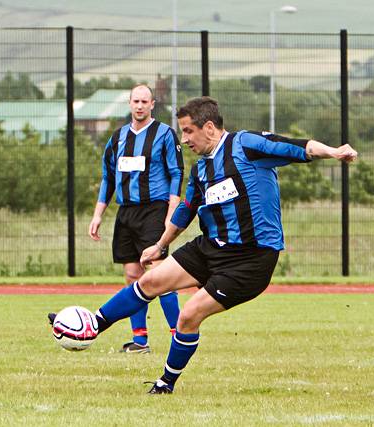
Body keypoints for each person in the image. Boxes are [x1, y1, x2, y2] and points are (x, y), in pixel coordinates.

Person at [58, 96, 358, 393]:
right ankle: (93, 324)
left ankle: (165, 383)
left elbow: (298, 146)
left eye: (188, 131)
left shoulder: (247, 145)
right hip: (211, 247)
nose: (184, 139)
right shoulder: (202, 170)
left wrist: (333, 151)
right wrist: (161, 245)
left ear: (210, 128)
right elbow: (186, 209)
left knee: (188, 315)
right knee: (149, 281)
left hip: (251, 259)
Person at [87, 84, 182, 353]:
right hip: (126, 212)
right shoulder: (117, 138)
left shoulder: (164, 134)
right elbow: (108, 177)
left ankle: (179, 333)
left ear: (153, 104)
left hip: (154, 209)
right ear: (129, 104)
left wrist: (170, 214)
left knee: (159, 273)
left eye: (145, 101)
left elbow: (176, 173)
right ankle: (140, 340)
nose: (139, 106)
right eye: (135, 101)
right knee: (132, 275)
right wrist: (97, 215)